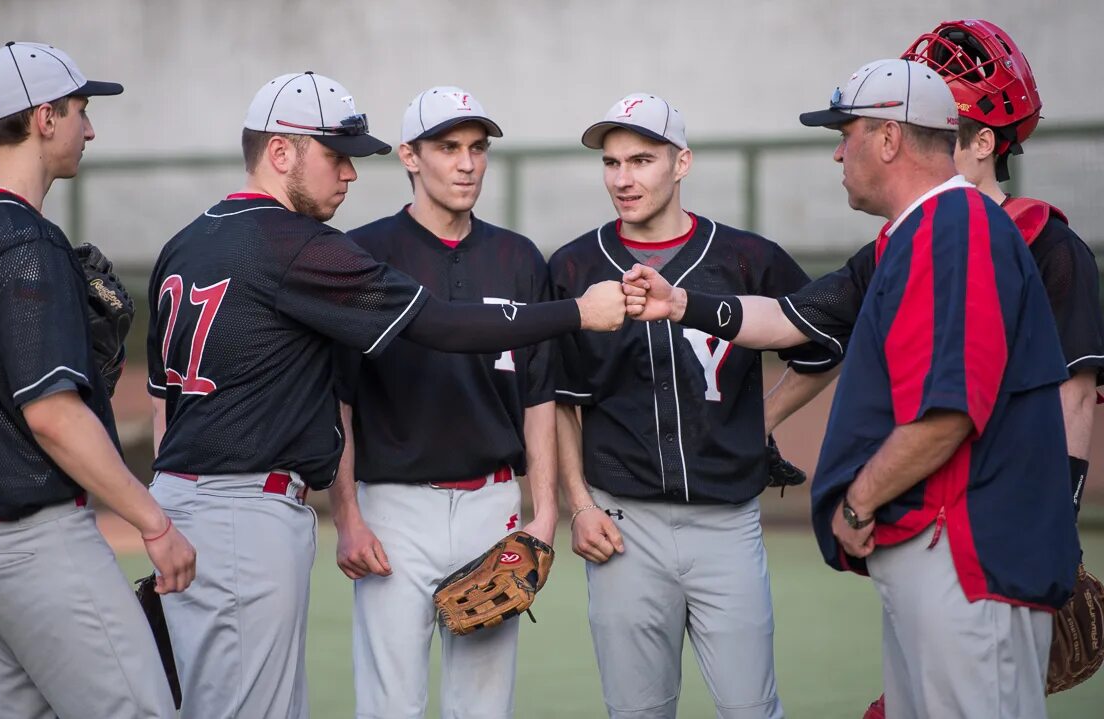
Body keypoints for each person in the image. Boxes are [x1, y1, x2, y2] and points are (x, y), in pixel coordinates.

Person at [146, 71, 628, 719]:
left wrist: (163, 505)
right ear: (282, 152)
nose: (348, 174)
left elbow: (160, 401)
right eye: (337, 156)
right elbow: (438, 325)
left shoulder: (187, 239)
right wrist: (578, 311)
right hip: (250, 506)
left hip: (203, 495)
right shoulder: (304, 247)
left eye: (476, 147)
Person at [628, 59, 1080, 718]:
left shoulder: (958, 228)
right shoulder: (914, 233)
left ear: (890, 139)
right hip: (939, 551)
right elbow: (788, 317)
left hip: (964, 552)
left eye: (848, 132)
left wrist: (859, 501)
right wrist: (678, 303)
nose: (838, 151)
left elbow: (949, 411)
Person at [0, 41, 195, 719]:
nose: (89, 129)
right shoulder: (26, 242)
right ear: (44, 117)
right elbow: (52, 416)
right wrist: (153, 521)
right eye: (81, 111)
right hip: (35, 546)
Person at [548, 93, 838, 719]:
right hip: (622, 527)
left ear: (682, 164)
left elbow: (825, 344)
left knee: (750, 708)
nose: (623, 178)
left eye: (642, 160)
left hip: (726, 523)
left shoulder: (745, 258)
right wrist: (579, 505)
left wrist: (760, 419)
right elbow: (562, 403)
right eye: (612, 162)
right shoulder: (572, 266)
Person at [328, 86, 555, 719]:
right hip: (394, 508)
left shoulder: (518, 257)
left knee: (484, 708)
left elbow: (540, 396)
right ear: (409, 156)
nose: (466, 163)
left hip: (494, 505)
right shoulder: (363, 254)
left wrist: (545, 513)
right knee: (390, 704)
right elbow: (339, 400)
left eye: (478, 148)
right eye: (447, 147)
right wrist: (346, 516)